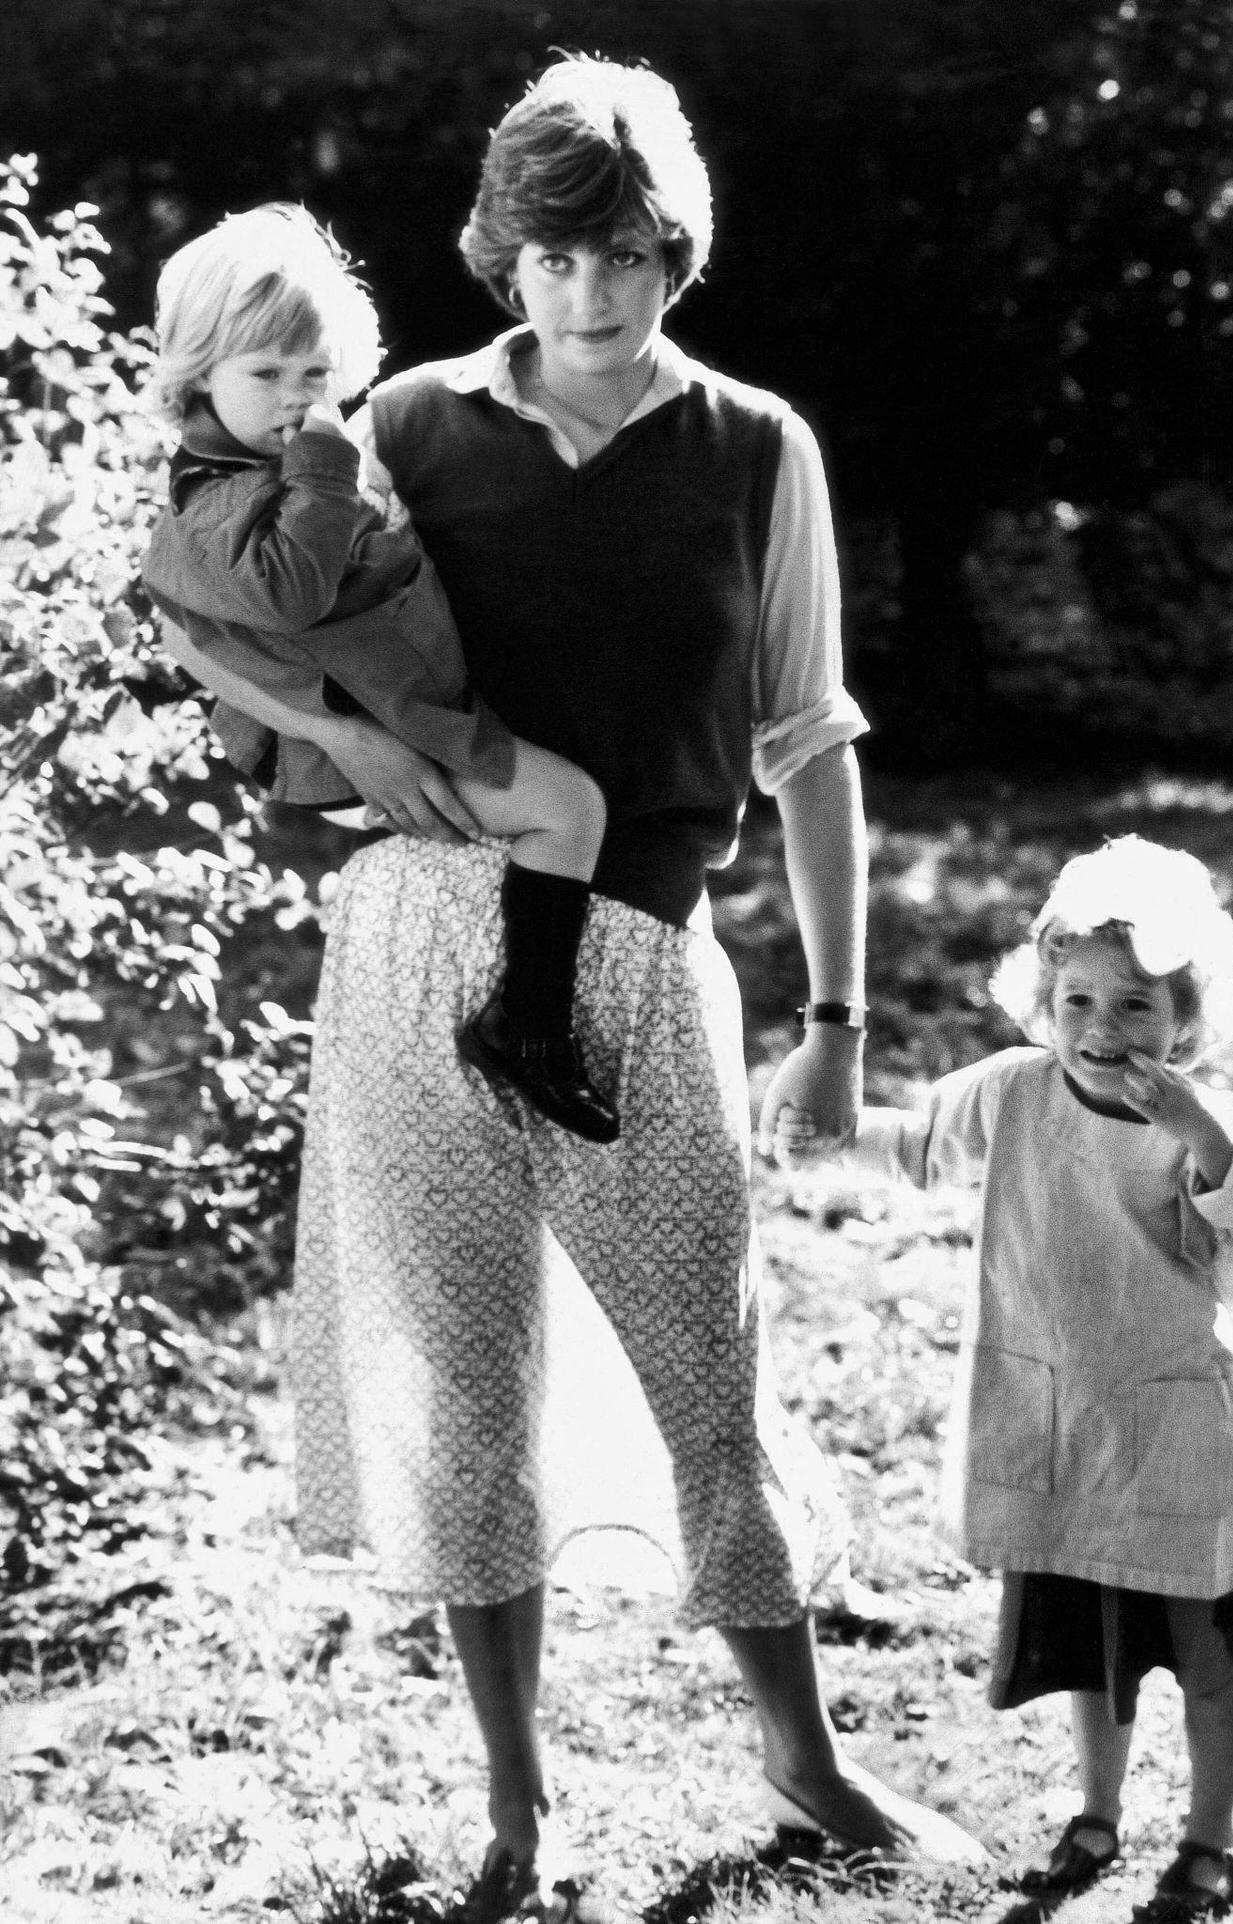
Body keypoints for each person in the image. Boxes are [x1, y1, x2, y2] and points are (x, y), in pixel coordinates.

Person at [154, 55, 987, 1910]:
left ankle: (808, 1755)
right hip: (412, 939)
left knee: (714, 1361)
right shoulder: (404, 422)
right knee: (462, 1381)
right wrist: (336, 745)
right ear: (501, 252)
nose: (590, 294)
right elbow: (231, 609)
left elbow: (813, 739)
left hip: (638, 944)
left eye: (624, 253)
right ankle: (518, 1807)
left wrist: (840, 1024)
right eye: (552, 254)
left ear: (676, 248)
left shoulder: (758, 445)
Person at [800, 836, 1233, 1921]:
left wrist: (1200, 1132)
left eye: (1134, 1007)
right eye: (1076, 1000)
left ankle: (1209, 1839)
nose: (1101, 1031)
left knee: (1207, 1659)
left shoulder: (1194, 1119)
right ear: (1042, 1000)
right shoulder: (1017, 1090)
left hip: (1179, 1438)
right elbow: (917, 1141)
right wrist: (823, 1127)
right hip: (1061, 1430)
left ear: (1186, 1019)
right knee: (1095, 1657)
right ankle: (1097, 1812)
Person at [141, 202, 618, 1142]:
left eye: (316, 374)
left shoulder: (264, 471)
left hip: (404, 707)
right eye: (268, 374)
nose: (298, 398)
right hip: (382, 737)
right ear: (197, 374)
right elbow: (291, 591)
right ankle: (525, 1028)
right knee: (573, 810)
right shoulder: (224, 502)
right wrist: (326, 460)